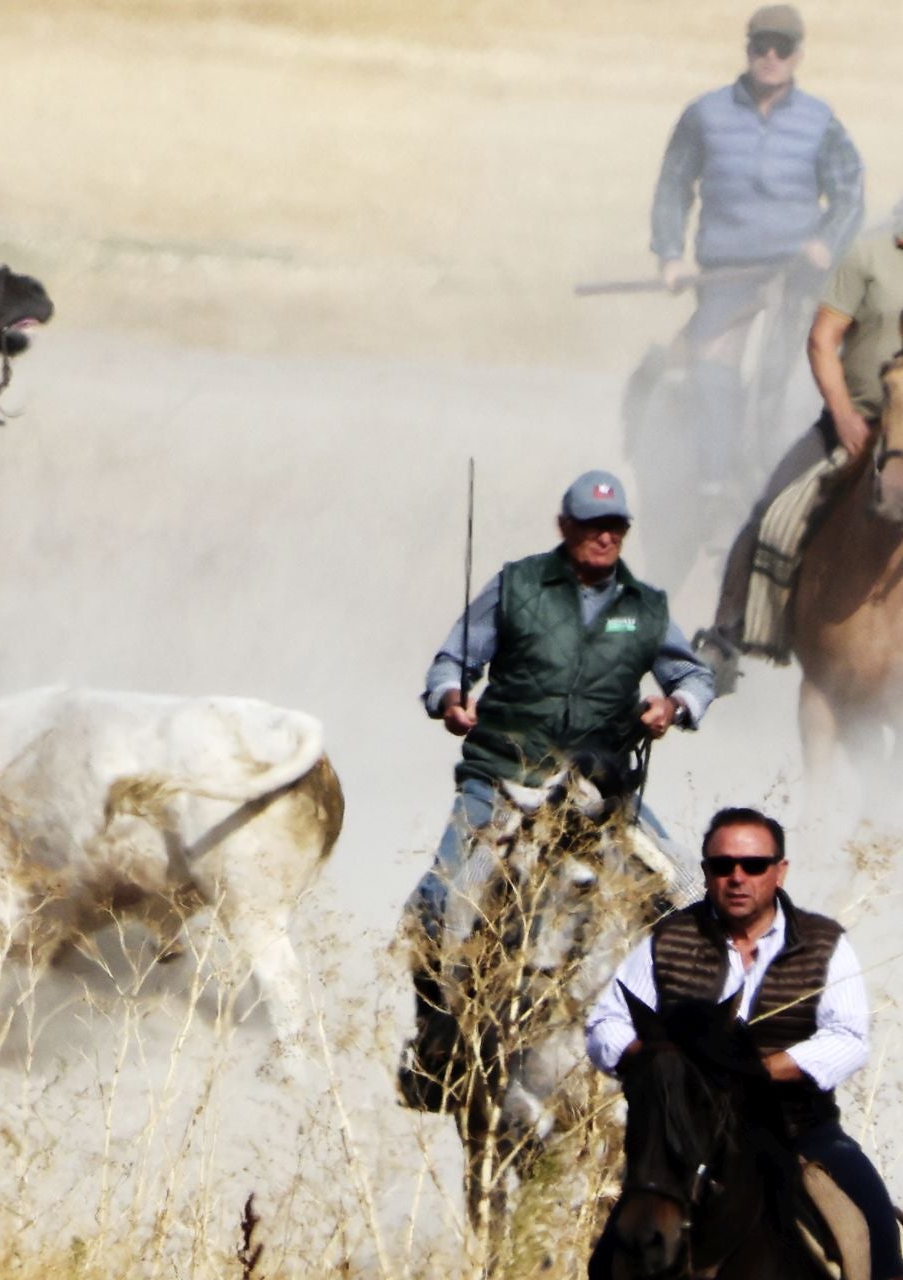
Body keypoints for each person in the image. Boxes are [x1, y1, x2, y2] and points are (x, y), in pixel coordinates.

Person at [396, 469, 717, 1111]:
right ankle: (435, 1052)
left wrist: (675, 705)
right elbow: (452, 659)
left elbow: (694, 674)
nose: (604, 537)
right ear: (564, 526)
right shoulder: (517, 585)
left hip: (600, 787)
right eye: (592, 526)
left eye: (615, 526)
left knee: (692, 896)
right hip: (506, 778)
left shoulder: (645, 606)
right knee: (434, 904)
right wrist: (450, 698)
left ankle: (703, 1050)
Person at [586, 808, 901, 1280]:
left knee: (877, 1231)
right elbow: (606, 1022)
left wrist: (760, 1069)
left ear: (779, 871)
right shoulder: (668, 940)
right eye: (722, 866)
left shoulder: (823, 944)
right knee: (611, 1256)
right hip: (684, 1137)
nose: (737, 877)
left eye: (753, 866)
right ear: (706, 872)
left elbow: (848, 1037)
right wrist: (651, 1059)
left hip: (798, 1131)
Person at [650, 4, 863, 508]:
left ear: (797, 55)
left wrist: (827, 242)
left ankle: (794, 486)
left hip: (798, 278)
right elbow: (673, 186)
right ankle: (712, 484)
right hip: (728, 275)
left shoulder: (821, 121)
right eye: (760, 46)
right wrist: (670, 254)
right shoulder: (705, 115)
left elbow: (850, 195)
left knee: (797, 377)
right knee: (710, 368)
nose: (770, 56)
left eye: (781, 47)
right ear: (747, 50)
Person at [694, 204, 903, 688]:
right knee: (772, 511)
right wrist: (844, 414)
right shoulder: (867, 257)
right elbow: (822, 341)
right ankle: (724, 640)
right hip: (855, 426)